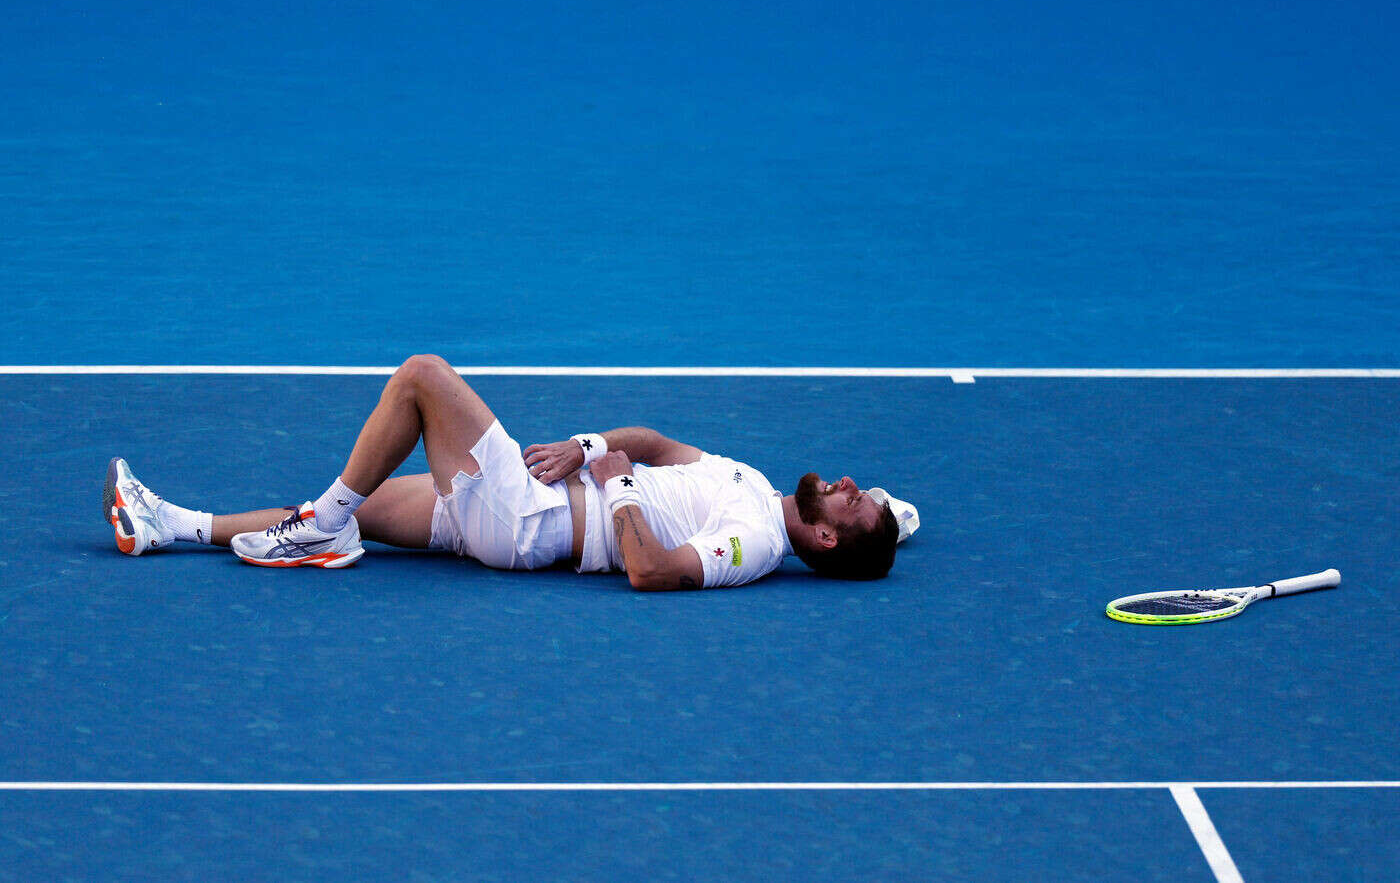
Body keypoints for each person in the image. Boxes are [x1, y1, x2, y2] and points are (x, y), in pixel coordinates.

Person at [103, 355, 916, 590]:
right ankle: (168, 525)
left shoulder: (755, 544)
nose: (852, 486)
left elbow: (652, 572)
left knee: (422, 377)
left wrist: (616, 482)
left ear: (820, 537)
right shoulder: (753, 483)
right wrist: (591, 444)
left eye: (852, 506)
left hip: (528, 521)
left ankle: (315, 533)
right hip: (522, 504)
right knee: (356, 502)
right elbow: (660, 444)